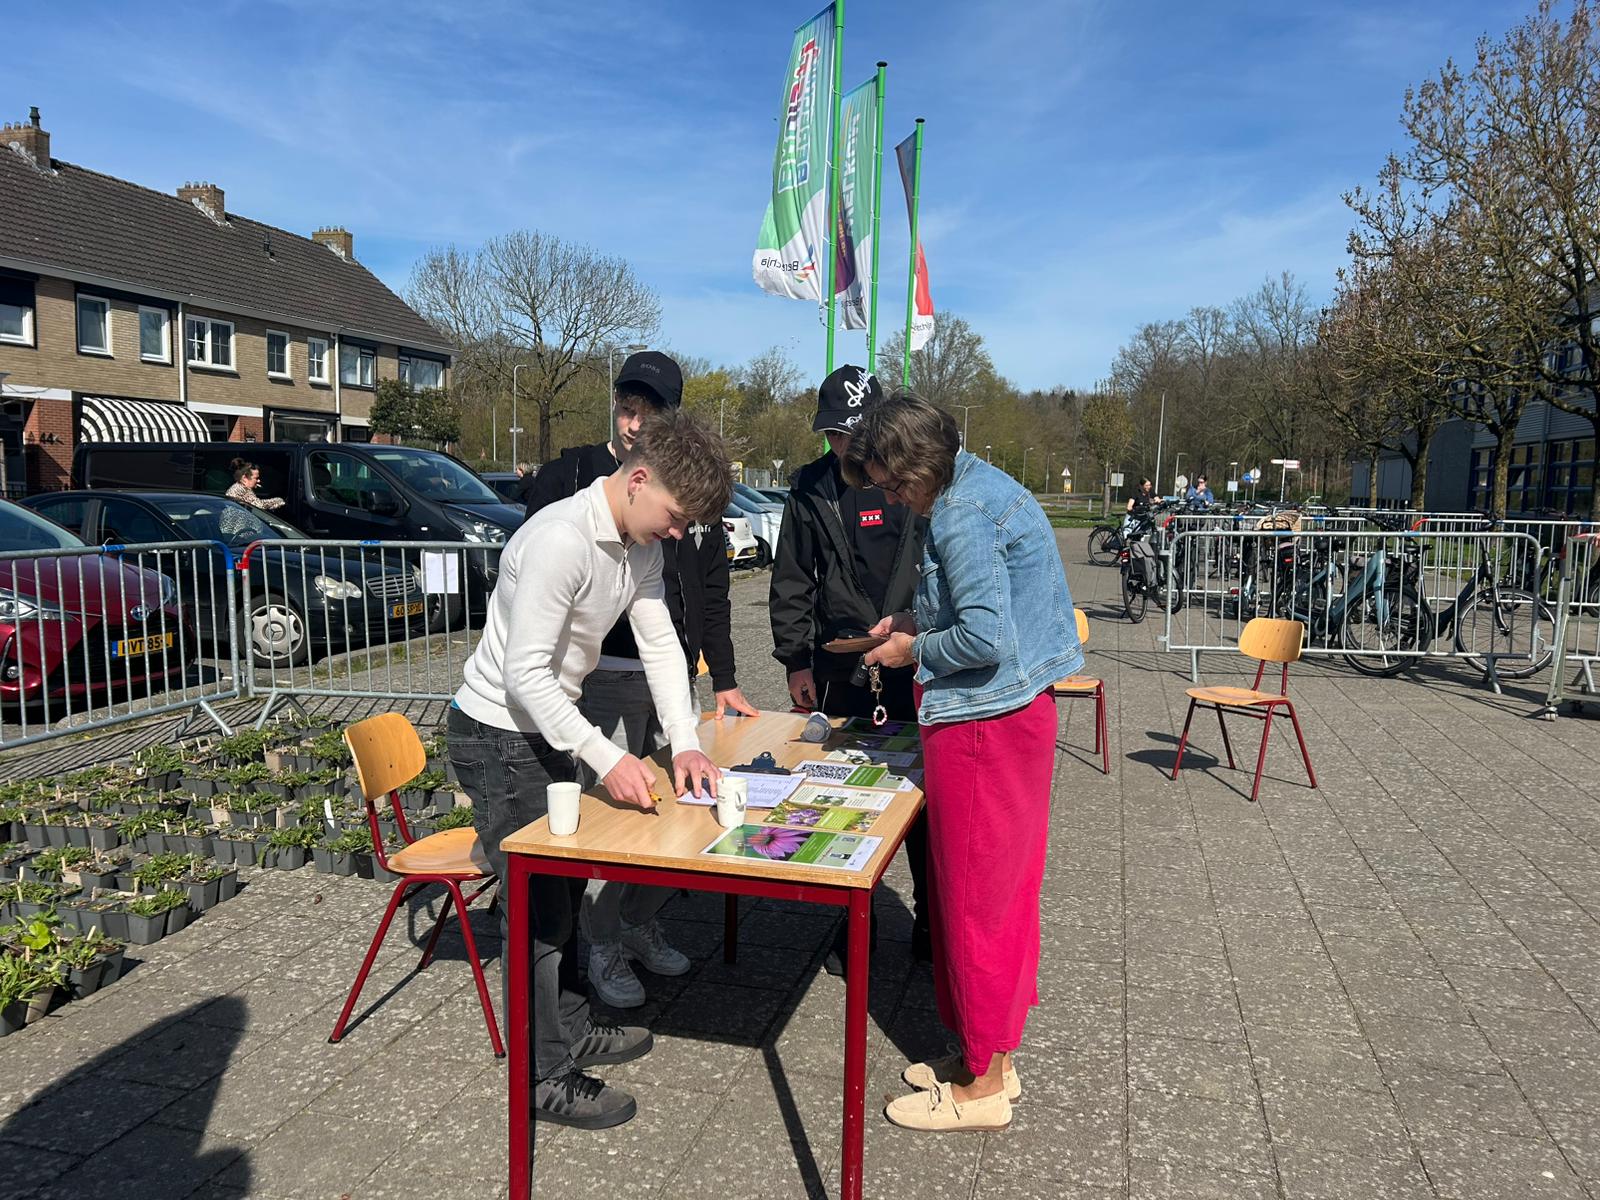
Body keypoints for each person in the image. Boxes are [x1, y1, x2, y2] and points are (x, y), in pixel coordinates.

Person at [449, 405, 731, 1130]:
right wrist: (608, 758)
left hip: (542, 732)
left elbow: (662, 646)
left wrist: (687, 740)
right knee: (537, 910)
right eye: (673, 516)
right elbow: (525, 678)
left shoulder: (638, 546)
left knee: (562, 894)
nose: (676, 534)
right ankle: (542, 1078)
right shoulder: (558, 541)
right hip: (497, 733)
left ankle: (569, 1027)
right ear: (638, 479)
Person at [847, 393, 1082, 1134]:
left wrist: (909, 650)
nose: (891, 497)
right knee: (996, 900)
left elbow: (983, 639)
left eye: (893, 483)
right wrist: (918, 619)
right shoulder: (979, 486)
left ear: (917, 463)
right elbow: (983, 608)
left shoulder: (960, 513)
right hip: (1010, 721)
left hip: (985, 729)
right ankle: (988, 1058)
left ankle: (980, 1090)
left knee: (977, 906)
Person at [524, 350, 759, 1010]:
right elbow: (531, 648)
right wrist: (597, 744)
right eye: (627, 411)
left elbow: (693, 604)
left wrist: (715, 691)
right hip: (579, 690)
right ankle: (592, 952)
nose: (633, 424)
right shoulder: (572, 492)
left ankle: (629, 927)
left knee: (672, 817)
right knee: (606, 827)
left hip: (661, 683)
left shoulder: (673, 509)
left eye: (648, 416)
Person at [769, 364, 930, 972]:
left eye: (857, 434)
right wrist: (794, 661)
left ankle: (928, 921)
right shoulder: (809, 488)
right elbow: (791, 580)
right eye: (836, 434)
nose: (847, 447)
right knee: (845, 797)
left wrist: (916, 632)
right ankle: (852, 922)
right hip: (840, 664)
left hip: (913, 657)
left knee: (921, 801)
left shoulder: (914, 487)